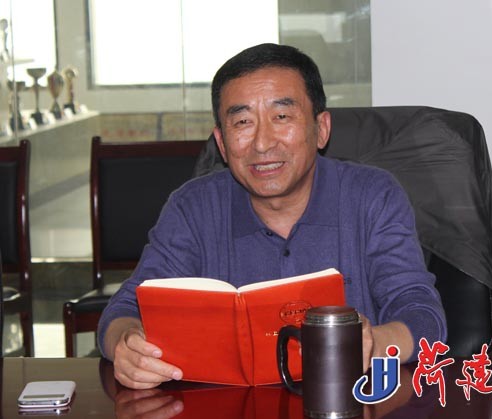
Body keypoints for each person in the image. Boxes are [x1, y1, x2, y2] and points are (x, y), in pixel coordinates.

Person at [98, 43, 447, 389]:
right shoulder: (193, 208)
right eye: (242, 122)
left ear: (321, 128)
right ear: (222, 143)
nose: (262, 143)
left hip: (349, 402)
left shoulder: (372, 195)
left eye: (282, 117)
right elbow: (124, 310)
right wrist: (127, 345)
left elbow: (422, 315)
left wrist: (373, 344)